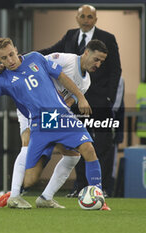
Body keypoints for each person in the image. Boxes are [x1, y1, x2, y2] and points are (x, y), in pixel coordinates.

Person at [0, 37, 110, 210]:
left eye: (12, 55)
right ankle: (15, 194)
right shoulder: (4, 79)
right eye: (4, 58)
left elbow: (62, 82)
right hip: (35, 117)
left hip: (58, 114)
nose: (10, 60)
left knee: (81, 152)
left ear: (16, 50)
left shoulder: (37, 59)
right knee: (28, 159)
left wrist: (79, 99)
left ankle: (79, 196)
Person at [39, 4, 122, 197]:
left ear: (95, 19)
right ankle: (80, 186)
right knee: (79, 143)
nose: (86, 20)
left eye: (89, 17)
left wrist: (109, 97)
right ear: (77, 18)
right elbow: (50, 51)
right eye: (82, 16)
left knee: (102, 144)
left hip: (100, 101)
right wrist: (24, 59)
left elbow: (116, 69)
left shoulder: (107, 38)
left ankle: (103, 188)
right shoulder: (70, 35)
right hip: (74, 101)